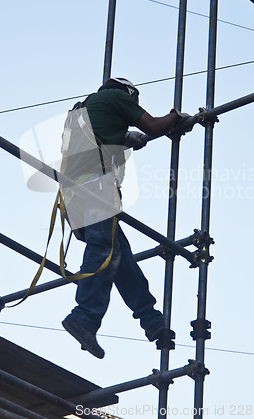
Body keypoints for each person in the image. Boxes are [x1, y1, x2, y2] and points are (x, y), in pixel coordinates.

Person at [61, 77, 189, 358]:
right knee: (105, 250)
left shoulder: (83, 110)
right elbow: (154, 126)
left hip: (73, 192)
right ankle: (84, 317)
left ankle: (151, 320)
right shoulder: (118, 98)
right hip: (94, 184)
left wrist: (122, 139)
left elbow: (98, 138)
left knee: (121, 256)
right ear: (128, 94)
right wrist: (174, 117)